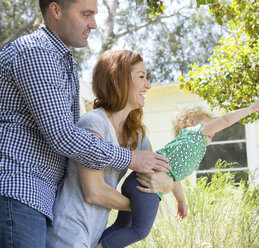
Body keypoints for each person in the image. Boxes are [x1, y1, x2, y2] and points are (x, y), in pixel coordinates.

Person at [0, 1, 172, 247]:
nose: (93, 24)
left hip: (38, 199)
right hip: (18, 189)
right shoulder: (35, 53)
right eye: (86, 14)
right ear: (56, 10)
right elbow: (62, 136)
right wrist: (131, 159)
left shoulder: (63, 61)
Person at [92, 98, 259, 248]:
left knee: (122, 225)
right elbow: (226, 120)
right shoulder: (197, 133)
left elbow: (173, 177)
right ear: (191, 122)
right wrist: (249, 109)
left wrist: (181, 201)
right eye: (208, 125)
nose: (212, 133)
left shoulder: (182, 144)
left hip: (136, 180)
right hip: (148, 185)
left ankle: (91, 243)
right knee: (140, 230)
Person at [47, 49, 167, 247]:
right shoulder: (94, 122)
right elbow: (94, 192)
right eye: (141, 76)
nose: (148, 85)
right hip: (69, 229)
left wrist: (167, 184)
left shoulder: (134, 135)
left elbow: (159, 175)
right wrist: (140, 210)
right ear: (119, 80)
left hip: (94, 231)